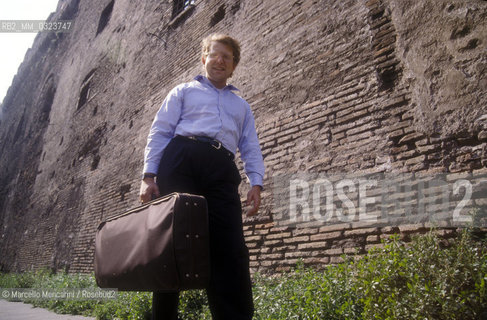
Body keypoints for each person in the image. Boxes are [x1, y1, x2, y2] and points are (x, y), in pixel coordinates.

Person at [139, 33, 265, 320]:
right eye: (215, 54)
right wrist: (149, 176)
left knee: (230, 245)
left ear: (233, 66)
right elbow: (160, 131)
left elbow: (250, 145)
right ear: (204, 58)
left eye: (227, 57)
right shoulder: (183, 91)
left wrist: (256, 182)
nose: (220, 60)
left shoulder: (241, 107)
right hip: (181, 158)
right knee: (171, 242)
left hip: (221, 167)